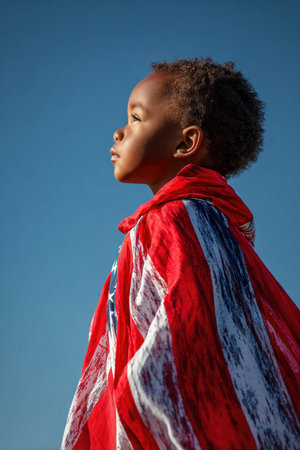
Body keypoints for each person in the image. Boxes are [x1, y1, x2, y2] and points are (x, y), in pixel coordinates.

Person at [61, 58, 300, 449]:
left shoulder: (180, 218)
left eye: (137, 118)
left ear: (185, 143)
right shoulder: (203, 222)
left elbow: (186, 343)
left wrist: (134, 408)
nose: (120, 132)